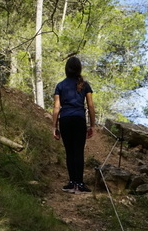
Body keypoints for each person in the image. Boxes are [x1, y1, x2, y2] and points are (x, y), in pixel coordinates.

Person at [52, 56, 96, 194]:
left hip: (65, 119)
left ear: (67, 69)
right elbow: (90, 106)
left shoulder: (60, 85)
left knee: (69, 151)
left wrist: (54, 126)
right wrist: (92, 125)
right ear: (79, 69)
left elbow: (56, 108)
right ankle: (80, 183)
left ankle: (71, 183)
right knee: (78, 151)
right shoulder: (84, 85)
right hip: (79, 119)